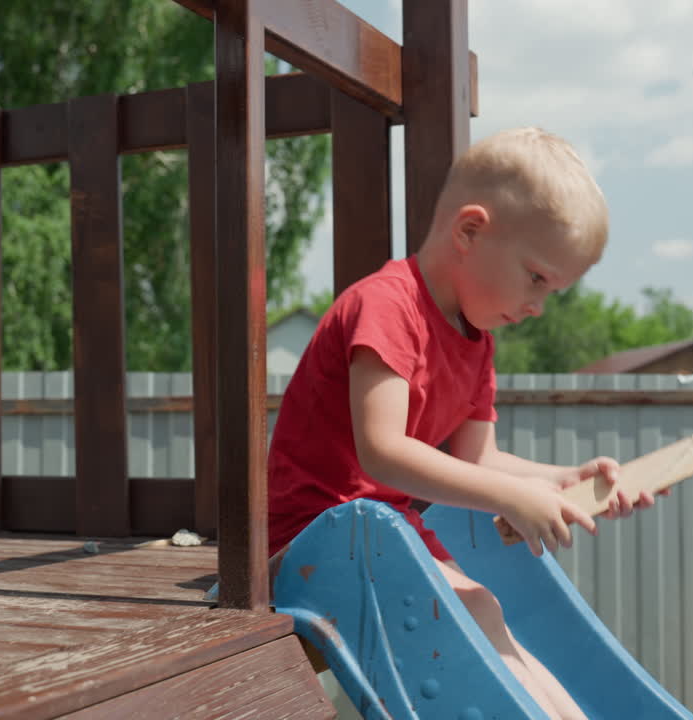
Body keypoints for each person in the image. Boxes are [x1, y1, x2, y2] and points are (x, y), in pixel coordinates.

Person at [267, 127, 663, 720]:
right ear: (470, 231)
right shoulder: (388, 305)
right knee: (470, 612)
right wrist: (512, 496)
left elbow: (480, 459)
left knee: (485, 611)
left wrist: (563, 477)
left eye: (552, 291)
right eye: (536, 278)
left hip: (381, 535)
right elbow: (382, 451)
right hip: (316, 538)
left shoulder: (476, 342)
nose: (538, 306)